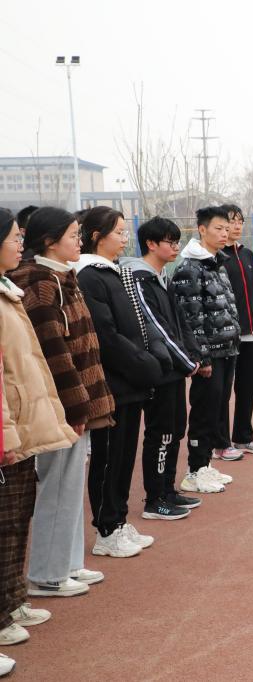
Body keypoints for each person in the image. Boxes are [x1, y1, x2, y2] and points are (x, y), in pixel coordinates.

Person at [10, 208, 116, 587]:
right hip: (60, 405)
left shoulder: (61, 277)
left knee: (70, 484)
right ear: (50, 241)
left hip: (74, 401)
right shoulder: (41, 283)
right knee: (57, 484)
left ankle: (68, 563)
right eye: (73, 235)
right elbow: (54, 352)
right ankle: (48, 574)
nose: (79, 241)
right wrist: (75, 407)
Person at [0, 209, 76, 647]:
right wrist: (8, 434)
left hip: (22, 421)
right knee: (5, 522)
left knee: (16, 520)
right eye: (14, 237)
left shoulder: (9, 290)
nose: (19, 244)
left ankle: (12, 600)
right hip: (8, 428)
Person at [75, 206, 168, 550]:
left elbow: (135, 326)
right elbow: (107, 336)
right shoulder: (89, 276)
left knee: (124, 457)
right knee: (108, 458)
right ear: (96, 236)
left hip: (131, 383)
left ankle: (119, 520)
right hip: (113, 383)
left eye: (125, 231)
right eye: (118, 232)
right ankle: (106, 530)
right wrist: (145, 365)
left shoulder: (113, 272)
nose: (125, 238)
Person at [124, 217, 205, 520]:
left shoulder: (162, 277)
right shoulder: (139, 279)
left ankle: (168, 490)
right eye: (170, 242)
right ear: (151, 244)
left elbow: (179, 323)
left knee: (175, 430)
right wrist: (186, 361)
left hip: (175, 369)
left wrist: (192, 355)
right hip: (160, 370)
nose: (176, 247)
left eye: (176, 241)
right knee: (160, 433)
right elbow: (156, 327)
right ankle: (155, 499)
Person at [171, 206, 240, 494]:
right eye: (218, 228)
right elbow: (189, 317)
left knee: (216, 410)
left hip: (227, 349)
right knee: (203, 411)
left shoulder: (216, 263)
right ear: (202, 229)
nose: (225, 233)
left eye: (227, 228)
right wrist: (201, 356)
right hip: (209, 354)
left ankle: (204, 465)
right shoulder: (189, 268)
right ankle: (194, 471)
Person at [222, 205, 253, 457]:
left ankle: (243, 437)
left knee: (248, 387)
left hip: (250, 333)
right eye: (232, 221)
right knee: (222, 390)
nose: (237, 225)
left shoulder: (247, 254)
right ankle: (220, 443)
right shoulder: (216, 256)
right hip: (226, 335)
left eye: (240, 221)